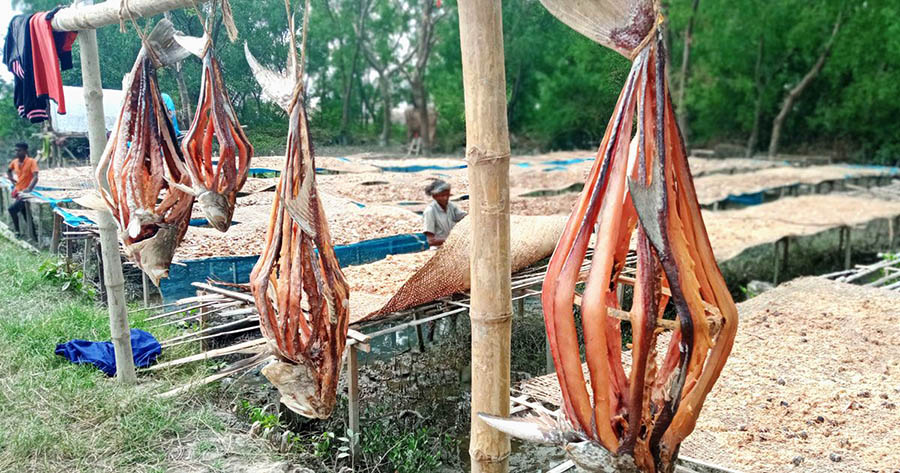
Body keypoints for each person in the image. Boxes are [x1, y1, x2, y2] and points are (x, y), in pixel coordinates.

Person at [423, 179, 466, 247]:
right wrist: (452, 240)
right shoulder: (430, 211)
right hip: (438, 248)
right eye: (442, 195)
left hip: (452, 245)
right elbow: (430, 240)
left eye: (447, 195)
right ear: (435, 196)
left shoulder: (451, 206)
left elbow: (464, 217)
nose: (446, 198)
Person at [7, 142, 38, 234]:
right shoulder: (15, 162)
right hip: (18, 191)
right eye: (16, 151)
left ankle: (17, 231)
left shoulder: (32, 161)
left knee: (12, 209)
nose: (17, 153)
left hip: (25, 193)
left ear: (25, 151)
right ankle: (33, 235)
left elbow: (36, 177)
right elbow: (9, 171)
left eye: (19, 150)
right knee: (25, 213)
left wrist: (29, 188)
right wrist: (12, 179)